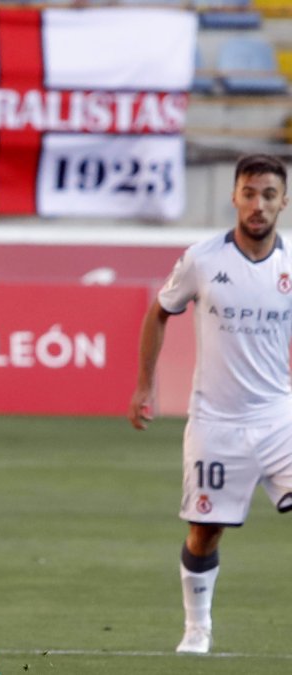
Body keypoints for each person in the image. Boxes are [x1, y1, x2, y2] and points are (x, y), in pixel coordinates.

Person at [129, 153, 291, 655]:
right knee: (205, 531)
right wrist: (144, 385)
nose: (258, 204)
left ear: (283, 201)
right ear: (234, 196)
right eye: (250, 193)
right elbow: (160, 311)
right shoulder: (203, 259)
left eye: (269, 194)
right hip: (216, 422)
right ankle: (197, 628)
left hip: (279, 418)